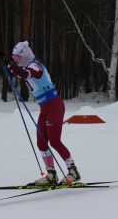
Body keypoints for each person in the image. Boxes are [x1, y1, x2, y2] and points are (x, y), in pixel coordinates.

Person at [8, 41, 81, 185]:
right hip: (45, 108)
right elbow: (18, 72)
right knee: (41, 142)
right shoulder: (26, 66)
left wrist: (12, 66)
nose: (16, 60)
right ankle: (51, 175)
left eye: (18, 57)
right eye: (14, 58)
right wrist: (8, 64)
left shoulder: (35, 65)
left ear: (25, 55)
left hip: (54, 106)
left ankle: (73, 171)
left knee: (54, 141)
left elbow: (25, 74)